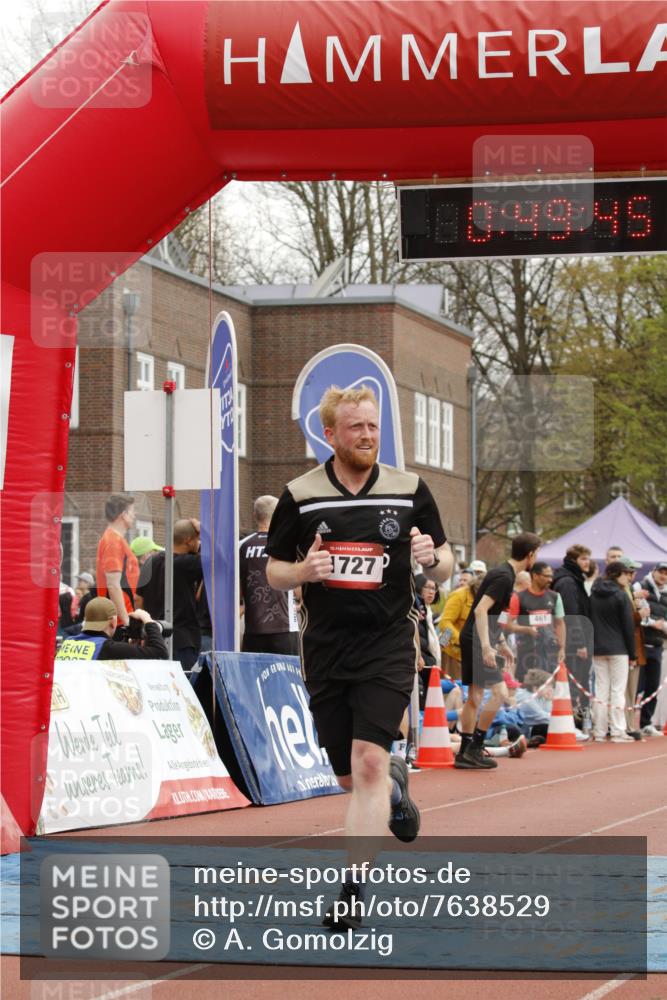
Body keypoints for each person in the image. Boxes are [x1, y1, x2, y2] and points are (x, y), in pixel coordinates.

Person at [265, 385, 452, 926]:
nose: (367, 435)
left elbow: (443, 563)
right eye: (356, 427)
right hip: (325, 646)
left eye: (373, 426)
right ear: (330, 434)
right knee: (348, 776)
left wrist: (431, 557)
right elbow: (274, 568)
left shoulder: (409, 488)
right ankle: (394, 784)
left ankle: (351, 894)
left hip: (389, 640)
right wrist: (302, 573)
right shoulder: (300, 494)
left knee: (365, 761)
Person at [455, 532, 542, 769]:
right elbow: (481, 611)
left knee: (474, 697)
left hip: (480, 638)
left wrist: (501, 643)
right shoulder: (503, 577)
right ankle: (474, 746)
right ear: (530, 554)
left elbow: (495, 615)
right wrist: (486, 647)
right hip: (477, 639)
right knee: (499, 694)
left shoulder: (505, 575)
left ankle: (466, 751)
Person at [136, 518, 203, 669]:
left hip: (153, 638)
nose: (199, 544)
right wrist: (204, 531)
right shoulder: (188, 563)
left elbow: (138, 598)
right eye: (197, 540)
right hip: (182, 640)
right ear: (188, 541)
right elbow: (217, 560)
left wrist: (143, 630)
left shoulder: (151, 561)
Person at [240, 495, 300, 656]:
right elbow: (299, 587)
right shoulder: (286, 543)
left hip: (253, 629)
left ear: (255, 515)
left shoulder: (242, 546)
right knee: (287, 679)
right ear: (278, 515)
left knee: (254, 680)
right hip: (285, 627)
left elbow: (236, 590)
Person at [589, 561, 637, 743]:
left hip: (598, 646)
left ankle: (599, 731)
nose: (629, 577)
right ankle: (618, 731)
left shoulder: (593, 593)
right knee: (617, 690)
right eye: (626, 574)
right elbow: (627, 626)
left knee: (601, 690)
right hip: (618, 648)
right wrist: (632, 654)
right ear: (617, 574)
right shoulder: (620, 595)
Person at [56, 597, 168, 660]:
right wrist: (148, 620)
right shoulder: (107, 648)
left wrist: (129, 646)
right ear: (113, 622)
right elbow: (160, 652)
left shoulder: (69, 642)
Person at [507, 562, 566, 682]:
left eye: (551, 576)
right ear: (535, 576)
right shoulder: (518, 597)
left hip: (549, 651)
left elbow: (560, 623)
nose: (550, 580)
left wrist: (562, 647)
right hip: (527, 650)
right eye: (546, 576)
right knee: (527, 688)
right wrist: (526, 629)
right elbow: (507, 625)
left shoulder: (555, 597)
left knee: (549, 687)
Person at [552, 543, 592, 710]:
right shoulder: (568, 582)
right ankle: (574, 720)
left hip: (570, 639)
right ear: (573, 560)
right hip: (571, 642)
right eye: (583, 558)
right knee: (573, 682)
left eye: (588, 558)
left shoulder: (573, 578)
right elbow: (571, 614)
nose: (587, 562)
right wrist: (579, 644)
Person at [95, 494, 139, 626]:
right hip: (118, 622)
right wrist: (126, 621)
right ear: (123, 514)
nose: (134, 515)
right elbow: (113, 585)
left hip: (120, 618)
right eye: (132, 511)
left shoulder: (114, 539)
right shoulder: (113, 541)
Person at [635, 561, 667, 736]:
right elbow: (636, 613)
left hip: (657, 645)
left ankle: (646, 723)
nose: (663, 576)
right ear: (654, 572)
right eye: (661, 572)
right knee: (635, 686)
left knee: (653, 687)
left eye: (666, 573)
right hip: (640, 644)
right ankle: (627, 722)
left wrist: (663, 627)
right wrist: (655, 623)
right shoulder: (641, 586)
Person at [439, 567, 485, 680]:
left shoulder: (483, 599)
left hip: (472, 653)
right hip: (452, 651)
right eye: (461, 579)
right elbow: (445, 623)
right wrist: (461, 640)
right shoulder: (458, 596)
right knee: (453, 687)